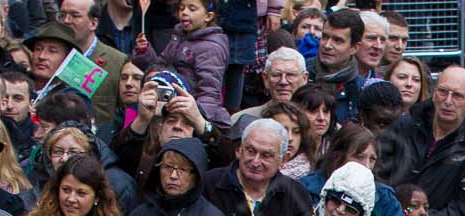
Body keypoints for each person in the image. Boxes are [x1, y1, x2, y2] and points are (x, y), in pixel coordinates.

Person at [385, 65, 465, 216]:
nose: (448, 101)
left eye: (457, 95)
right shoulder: (403, 125)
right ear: (434, 93)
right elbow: (378, 176)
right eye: (443, 91)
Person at [133, 0, 231, 131]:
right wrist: (144, 52)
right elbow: (159, 67)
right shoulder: (178, 37)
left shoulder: (211, 48)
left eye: (192, 9)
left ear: (208, 16)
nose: (184, 12)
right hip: (174, 106)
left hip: (195, 114)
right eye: (181, 8)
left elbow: (210, 90)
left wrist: (198, 118)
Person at [55, 0, 130, 128]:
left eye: (75, 15)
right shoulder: (48, 57)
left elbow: (128, 110)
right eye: (62, 15)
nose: (66, 21)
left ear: (93, 23)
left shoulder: (117, 62)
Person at [235, 42, 306, 119]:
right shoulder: (242, 120)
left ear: (304, 78)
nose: (283, 81)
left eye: (291, 75)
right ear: (266, 78)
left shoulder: (315, 121)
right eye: (276, 75)